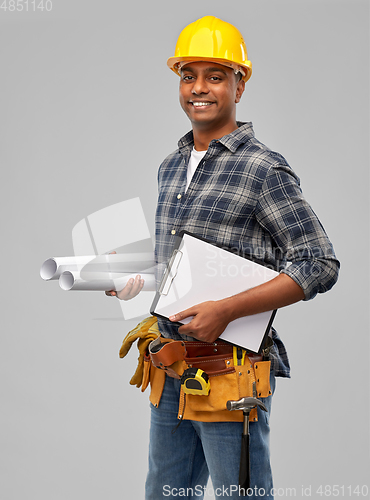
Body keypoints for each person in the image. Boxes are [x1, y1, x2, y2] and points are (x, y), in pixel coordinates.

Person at [107, 16, 339, 499]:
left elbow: (318, 262)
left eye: (215, 76)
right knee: (165, 493)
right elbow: (185, 268)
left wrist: (227, 311)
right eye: (188, 76)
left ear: (240, 83)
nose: (199, 88)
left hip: (231, 371)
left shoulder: (263, 169)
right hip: (170, 365)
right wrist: (140, 281)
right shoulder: (170, 166)